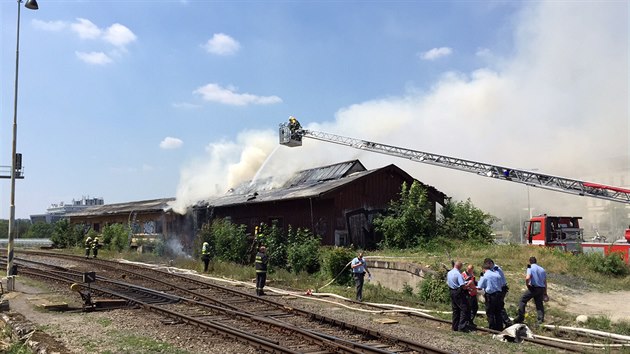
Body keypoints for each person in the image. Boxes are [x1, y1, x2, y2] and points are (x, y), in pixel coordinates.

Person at [514, 256, 547, 325]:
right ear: (536, 261)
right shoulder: (542, 269)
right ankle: (540, 320)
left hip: (534, 288)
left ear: (530, 261)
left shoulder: (530, 267)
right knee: (539, 304)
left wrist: (528, 285)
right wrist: (545, 293)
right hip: (541, 288)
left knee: (522, 300)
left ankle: (520, 317)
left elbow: (527, 278)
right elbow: (545, 282)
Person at [484, 258, 513, 327]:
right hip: (498, 289)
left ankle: (506, 322)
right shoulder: (493, 269)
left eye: (487, 265)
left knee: (499, 307)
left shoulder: (496, 269)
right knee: (497, 307)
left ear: (490, 263)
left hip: (501, 289)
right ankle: (501, 323)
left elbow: (497, 280)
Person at [477, 262, 504, 331]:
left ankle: (492, 328)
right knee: (498, 312)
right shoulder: (497, 275)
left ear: (483, 269)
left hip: (491, 296)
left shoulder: (485, 275)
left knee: (490, 312)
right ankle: (499, 327)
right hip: (499, 295)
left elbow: (479, 286)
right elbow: (502, 284)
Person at [447, 261, 471, 332]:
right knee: (464, 308)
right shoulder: (458, 274)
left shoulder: (449, 273)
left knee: (455, 310)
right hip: (458, 292)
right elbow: (462, 286)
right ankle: (462, 327)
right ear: (459, 266)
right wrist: (468, 285)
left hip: (452, 291)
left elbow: (448, 282)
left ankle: (454, 327)